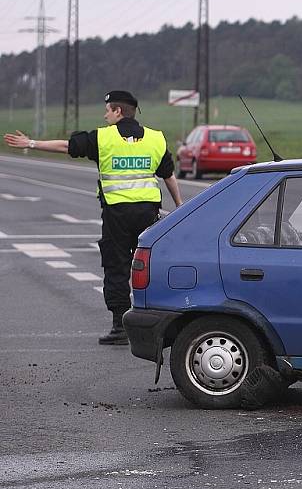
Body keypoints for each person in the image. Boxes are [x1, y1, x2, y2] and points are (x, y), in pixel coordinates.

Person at [3, 90, 183, 345]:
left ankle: (121, 327)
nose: (105, 114)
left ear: (118, 111)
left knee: (117, 267)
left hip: (117, 214)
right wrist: (180, 206)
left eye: (108, 109)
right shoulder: (155, 139)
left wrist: (31, 144)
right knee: (149, 267)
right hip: (148, 213)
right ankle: (158, 325)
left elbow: (66, 146)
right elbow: (168, 174)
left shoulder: (104, 138)